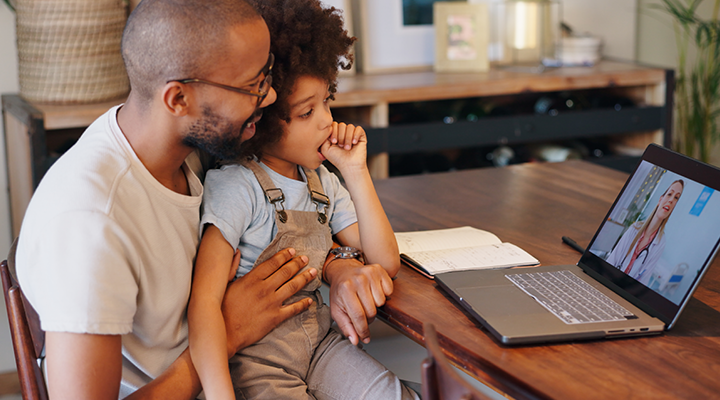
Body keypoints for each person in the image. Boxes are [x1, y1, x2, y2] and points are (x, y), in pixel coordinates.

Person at [14, 1, 320, 398]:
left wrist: (341, 266)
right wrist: (225, 334)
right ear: (178, 100)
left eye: (266, 73)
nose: (269, 94)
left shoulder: (188, 147)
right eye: (252, 86)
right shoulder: (89, 221)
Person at [187, 1, 418, 399]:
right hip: (257, 363)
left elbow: (385, 260)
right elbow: (204, 303)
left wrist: (356, 171)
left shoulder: (322, 182)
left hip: (320, 348)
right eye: (307, 111)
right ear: (262, 120)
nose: (328, 120)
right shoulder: (237, 187)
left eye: (327, 100)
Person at [606, 179, 684, 284]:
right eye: (669, 194)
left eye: (676, 198)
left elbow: (644, 279)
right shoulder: (635, 228)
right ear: (660, 200)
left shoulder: (660, 242)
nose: (671, 200)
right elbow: (611, 260)